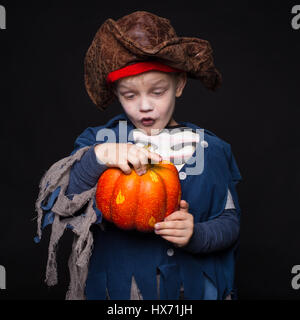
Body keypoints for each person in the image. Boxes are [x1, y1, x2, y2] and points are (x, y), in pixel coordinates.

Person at [35, 11, 242, 300]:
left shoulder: (212, 149)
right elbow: (62, 202)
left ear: (179, 84)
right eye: (130, 96)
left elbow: (230, 222)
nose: (144, 106)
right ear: (117, 93)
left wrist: (197, 235)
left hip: (190, 290)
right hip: (120, 290)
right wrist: (99, 157)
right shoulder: (100, 142)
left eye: (157, 92)